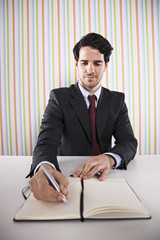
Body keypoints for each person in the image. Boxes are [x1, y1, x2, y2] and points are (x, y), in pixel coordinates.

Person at [29, 32, 137, 203]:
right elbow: (46, 141)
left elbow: (128, 142)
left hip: (104, 178)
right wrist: (44, 167)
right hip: (67, 175)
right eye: (84, 62)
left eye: (97, 63)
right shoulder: (59, 98)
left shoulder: (117, 100)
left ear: (106, 66)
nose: (90, 70)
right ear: (76, 64)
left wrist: (110, 158)